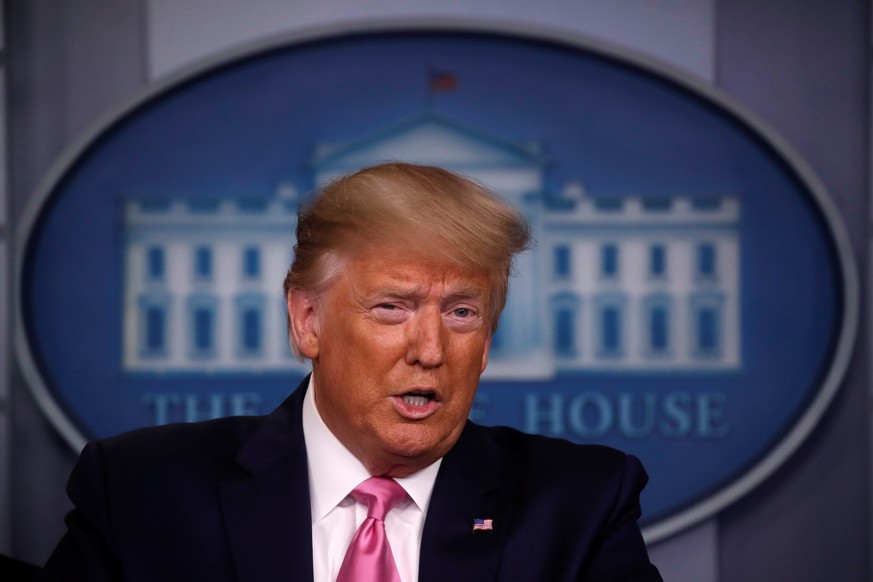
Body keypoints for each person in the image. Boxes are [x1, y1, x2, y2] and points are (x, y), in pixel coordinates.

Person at [38, 163, 662, 581]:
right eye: (392, 307)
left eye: (462, 311)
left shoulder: (580, 504)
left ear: (489, 336)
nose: (430, 350)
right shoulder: (141, 490)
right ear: (307, 321)